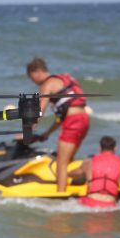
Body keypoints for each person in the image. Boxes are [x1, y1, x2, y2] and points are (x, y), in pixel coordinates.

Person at [26, 57, 89, 192]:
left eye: (32, 78)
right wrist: (47, 134)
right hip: (84, 119)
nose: (34, 82)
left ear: (36, 72)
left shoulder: (47, 84)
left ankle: (61, 194)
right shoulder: (62, 80)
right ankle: (79, 181)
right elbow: (62, 116)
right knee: (69, 160)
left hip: (73, 122)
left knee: (61, 162)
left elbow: (40, 109)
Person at [79, 135, 120, 208]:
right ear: (115, 149)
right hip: (110, 204)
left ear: (100, 148)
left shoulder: (89, 162)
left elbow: (73, 174)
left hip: (90, 201)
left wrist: (84, 171)